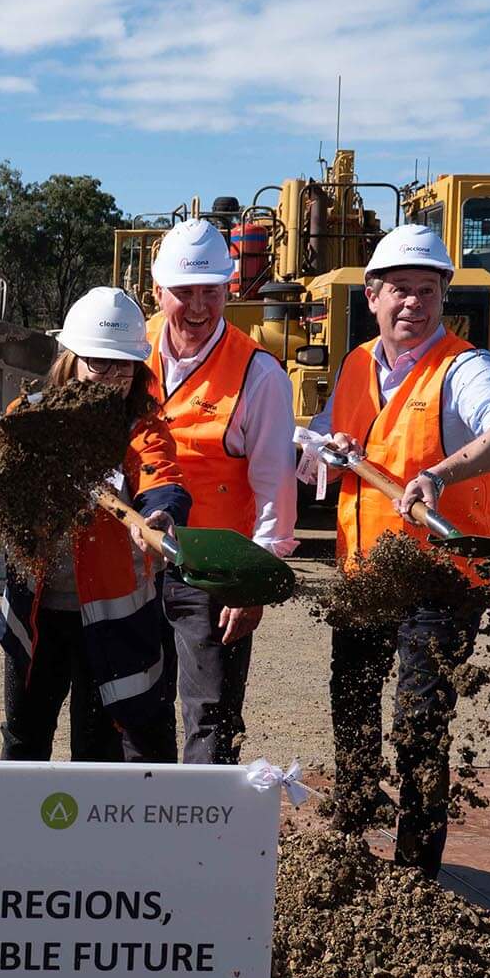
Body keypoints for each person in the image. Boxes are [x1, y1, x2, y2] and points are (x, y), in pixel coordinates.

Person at [315, 224, 490, 877]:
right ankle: (351, 844)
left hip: (439, 579)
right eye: (399, 291)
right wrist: (324, 451)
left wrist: (441, 474)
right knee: (352, 710)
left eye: (426, 290)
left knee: (416, 724)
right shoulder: (357, 363)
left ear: (442, 298)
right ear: (372, 295)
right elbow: (335, 438)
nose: (412, 303)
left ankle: (416, 873)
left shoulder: (463, 367)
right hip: (365, 572)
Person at [0, 288, 189, 762]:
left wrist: (161, 512)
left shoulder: (141, 426)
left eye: (123, 366)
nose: (111, 377)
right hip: (37, 610)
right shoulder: (28, 418)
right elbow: (0, 490)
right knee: (24, 739)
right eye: (98, 363)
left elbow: (160, 474)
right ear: (71, 359)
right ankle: (11, 836)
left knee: (98, 748)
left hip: (109, 618)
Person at [145, 217, 301, 765]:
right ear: (157, 289)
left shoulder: (258, 375)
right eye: (183, 293)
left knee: (209, 713)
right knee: (131, 705)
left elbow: (275, 487)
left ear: (227, 291)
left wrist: (252, 581)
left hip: (213, 569)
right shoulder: (127, 351)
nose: (197, 307)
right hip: (133, 563)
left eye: (209, 292)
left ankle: (203, 839)